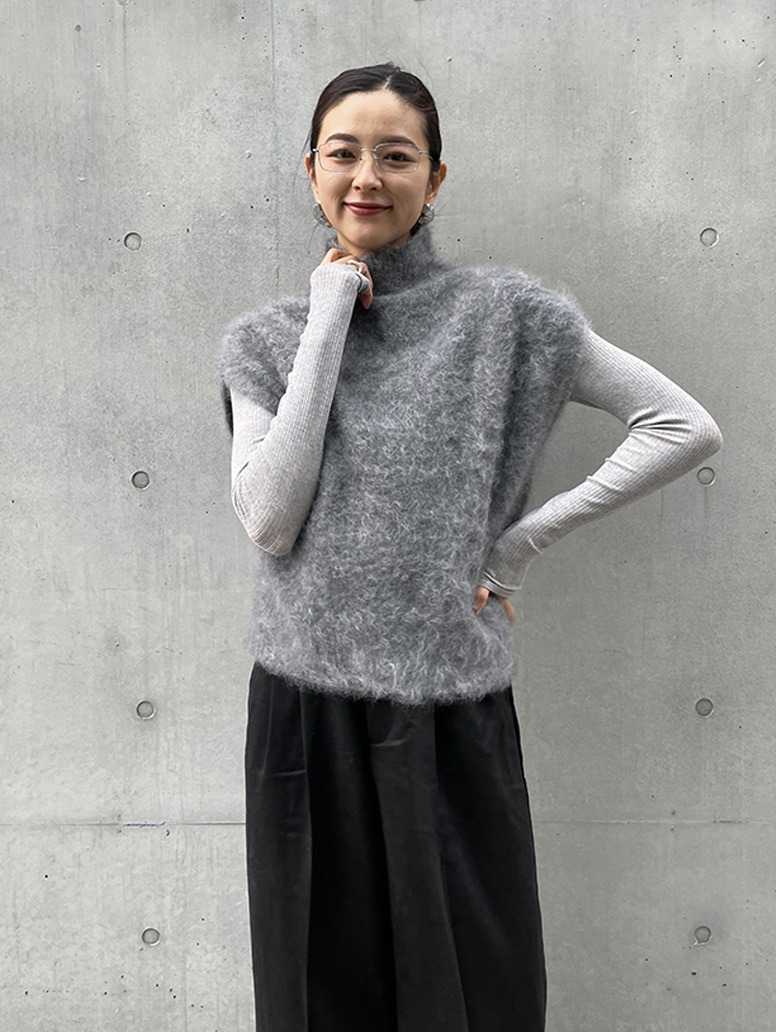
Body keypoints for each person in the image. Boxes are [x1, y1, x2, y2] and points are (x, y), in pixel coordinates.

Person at [218, 63, 722, 1032]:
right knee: (319, 993)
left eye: (396, 155)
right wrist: (327, 314)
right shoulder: (264, 341)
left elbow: (680, 425)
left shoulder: (507, 318)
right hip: (303, 717)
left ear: (435, 177)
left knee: (477, 989)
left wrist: (518, 546)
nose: (367, 176)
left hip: (448, 707)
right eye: (343, 153)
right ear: (310, 170)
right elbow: (271, 518)